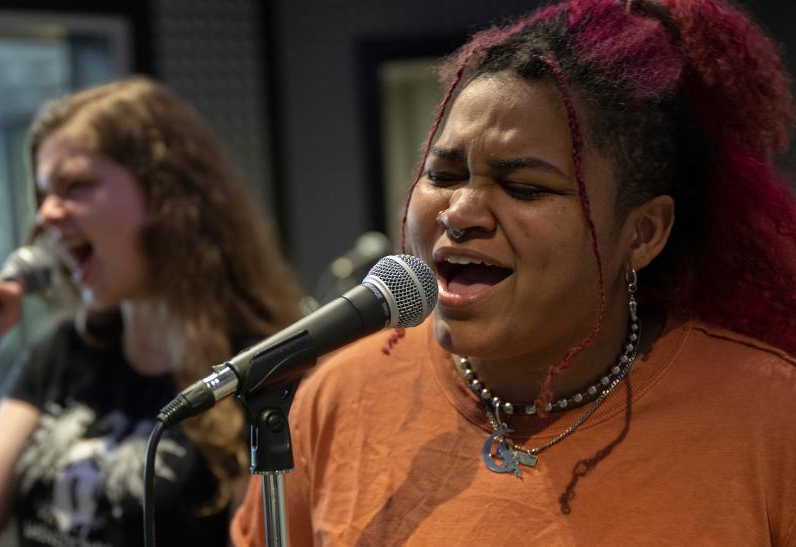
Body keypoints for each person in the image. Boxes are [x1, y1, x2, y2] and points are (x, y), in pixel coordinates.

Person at [231, 0, 796, 544]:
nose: (461, 214)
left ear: (643, 232)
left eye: (524, 187)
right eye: (444, 175)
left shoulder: (769, 415)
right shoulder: (336, 397)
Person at [0, 76, 304, 546]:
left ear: (166, 196)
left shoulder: (262, 372)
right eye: (44, 193)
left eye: (76, 185)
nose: (46, 215)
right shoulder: (61, 356)